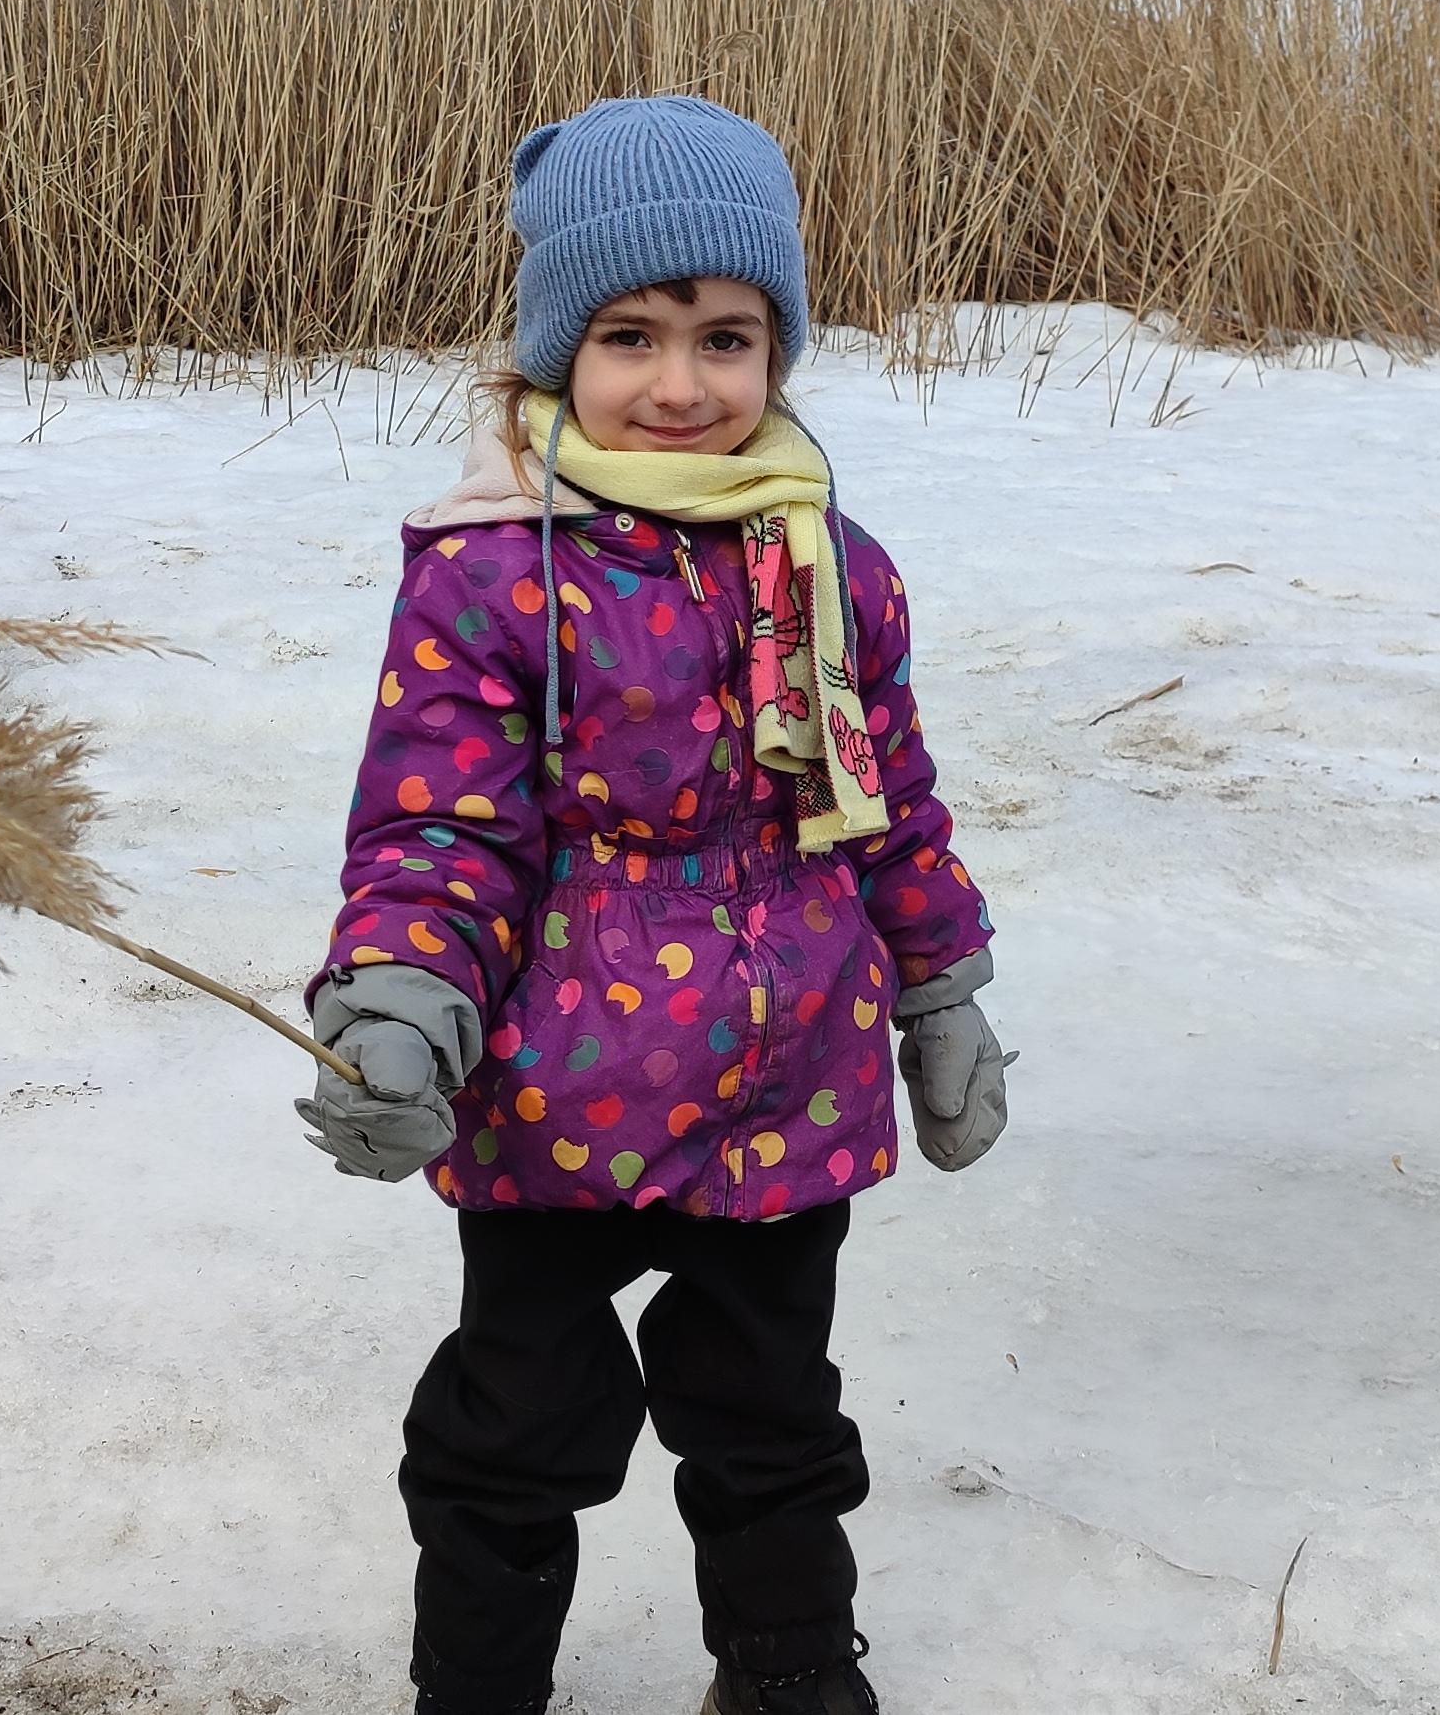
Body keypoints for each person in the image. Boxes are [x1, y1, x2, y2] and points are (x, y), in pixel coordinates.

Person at [296, 94, 1010, 1715]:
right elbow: (440, 827)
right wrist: (400, 1000)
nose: (681, 385)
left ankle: (787, 1679)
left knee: (773, 1417)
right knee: (517, 1426)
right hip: (560, 1086)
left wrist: (941, 986)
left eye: (725, 338)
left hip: (787, 1074)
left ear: (776, 350)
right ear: (562, 349)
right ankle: (478, 1692)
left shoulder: (832, 564)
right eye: (632, 336)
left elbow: (884, 795)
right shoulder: (495, 571)